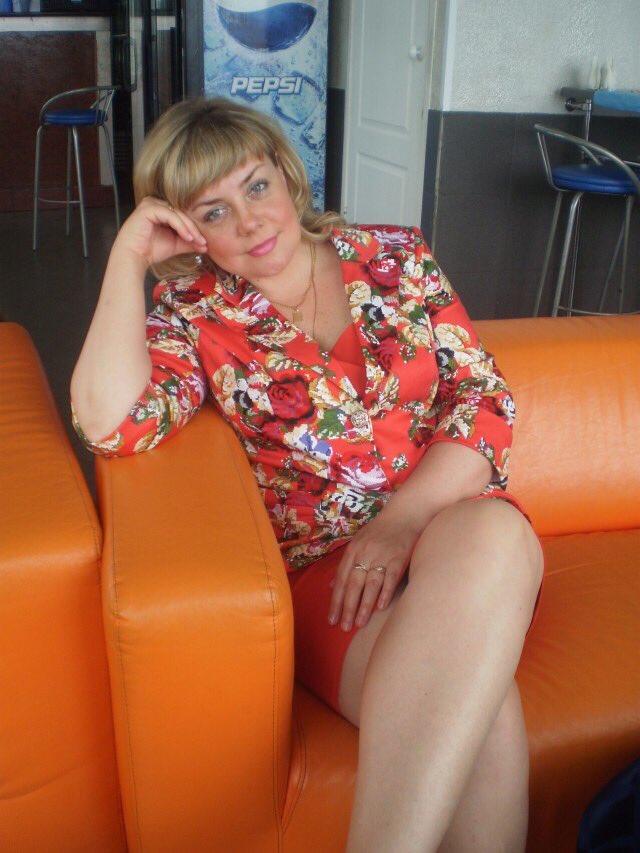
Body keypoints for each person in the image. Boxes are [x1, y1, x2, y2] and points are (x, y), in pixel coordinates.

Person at [70, 96, 545, 852]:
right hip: (334, 581)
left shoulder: (396, 256)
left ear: (286, 175)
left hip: (452, 534)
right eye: (215, 211)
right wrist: (127, 258)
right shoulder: (193, 314)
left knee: (495, 533)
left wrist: (399, 524)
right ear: (188, 231)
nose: (250, 221)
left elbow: (483, 402)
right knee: (482, 710)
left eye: (256, 186)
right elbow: (109, 422)